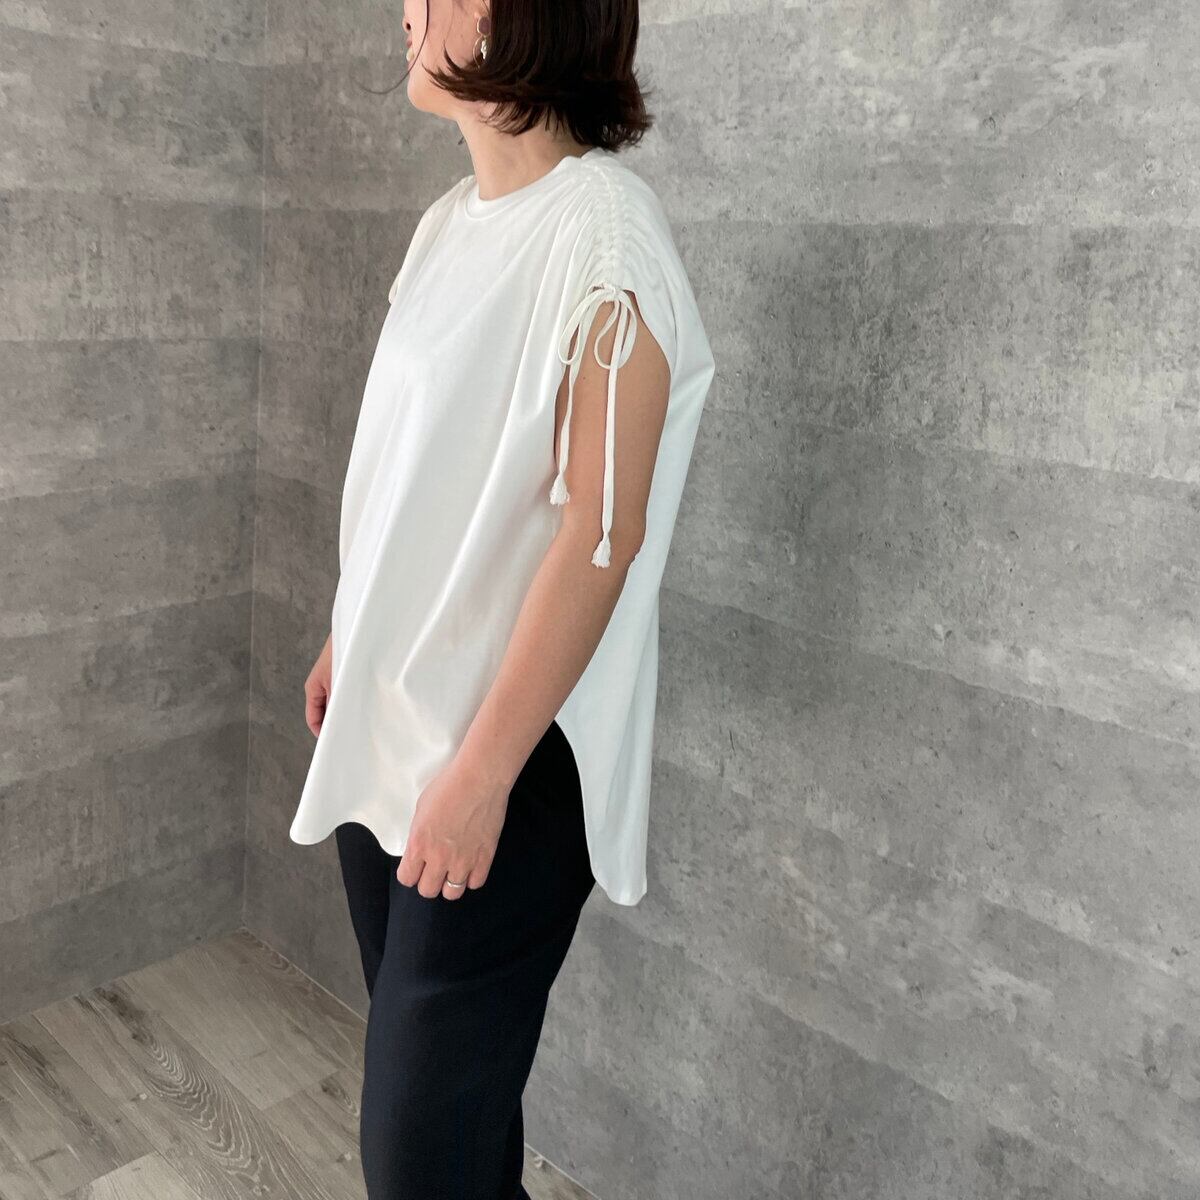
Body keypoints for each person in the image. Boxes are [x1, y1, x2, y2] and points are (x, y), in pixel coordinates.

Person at [288, 1, 716, 1196]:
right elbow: (418, 470)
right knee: (455, 1132)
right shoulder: (447, 225)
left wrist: (481, 778)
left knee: (418, 1155)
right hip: (396, 719)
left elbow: (599, 539)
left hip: (510, 757)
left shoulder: (607, 237)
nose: (404, 11)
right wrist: (348, 632)